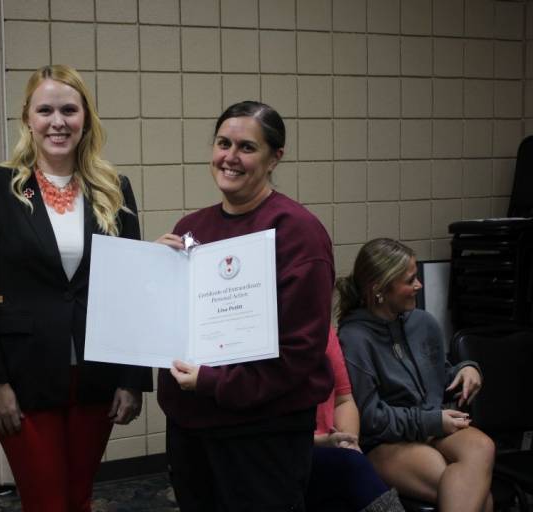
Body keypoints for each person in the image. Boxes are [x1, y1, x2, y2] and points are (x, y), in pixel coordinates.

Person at [0, 64, 152, 512]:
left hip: (96, 375)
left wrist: (132, 379)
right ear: (28, 118)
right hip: (22, 378)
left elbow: (133, 289)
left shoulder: (114, 189)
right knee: (45, 502)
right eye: (45, 110)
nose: (57, 121)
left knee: (79, 498)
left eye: (69, 109)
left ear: (86, 117)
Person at [155, 101, 335, 511]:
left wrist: (215, 382)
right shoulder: (190, 229)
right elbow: (173, 327)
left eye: (246, 147)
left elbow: (300, 351)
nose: (230, 158)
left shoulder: (298, 233)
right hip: (191, 425)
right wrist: (155, 273)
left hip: (263, 430)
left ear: (275, 158)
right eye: (223, 143)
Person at [336, 238, 494, 512]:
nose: (418, 286)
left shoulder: (423, 322)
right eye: (410, 280)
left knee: (483, 447)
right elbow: (371, 419)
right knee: (480, 498)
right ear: (380, 289)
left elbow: (439, 375)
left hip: (432, 426)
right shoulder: (354, 338)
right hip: (387, 442)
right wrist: (431, 421)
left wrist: (466, 369)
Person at [307, 328, 404, 512]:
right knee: (350, 467)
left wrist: (348, 441)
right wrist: (323, 443)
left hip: (330, 449)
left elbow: (343, 401)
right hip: (290, 452)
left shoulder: (324, 331)